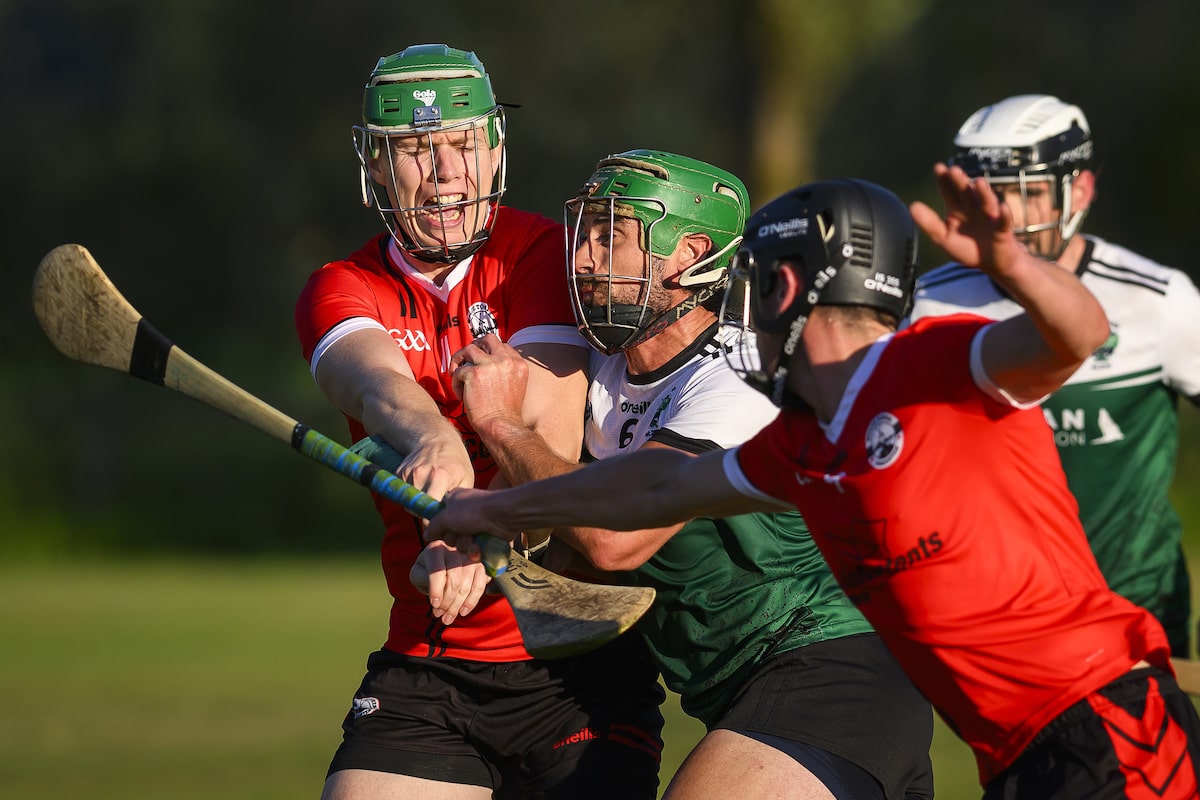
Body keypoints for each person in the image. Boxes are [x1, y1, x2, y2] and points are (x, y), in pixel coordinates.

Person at [424, 168, 1200, 798]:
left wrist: (1018, 269)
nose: (740, 310)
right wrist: (486, 506)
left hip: (1107, 722)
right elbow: (651, 492)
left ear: (789, 289)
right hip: (1014, 757)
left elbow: (1081, 334)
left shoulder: (938, 360)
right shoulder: (800, 444)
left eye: (753, 285)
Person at [391, 149, 933, 799]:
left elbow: (616, 539)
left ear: (689, 252)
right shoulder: (603, 375)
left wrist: (504, 430)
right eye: (584, 232)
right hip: (746, 700)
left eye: (610, 235)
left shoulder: (738, 369)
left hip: (836, 674)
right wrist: (483, 549)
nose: (584, 257)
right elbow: (585, 558)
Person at [293, 44, 664, 800]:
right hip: (429, 657)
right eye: (415, 150)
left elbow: (549, 439)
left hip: (574, 665)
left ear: (494, 149)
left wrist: (472, 522)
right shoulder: (340, 286)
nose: (446, 171)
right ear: (376, 167)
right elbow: (372, 383)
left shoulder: (545, 256)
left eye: (462, 144)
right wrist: (432, 439)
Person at [908, 94, 1200, 658]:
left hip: (1135, 608)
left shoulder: (1159, 300)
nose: (1007, 215)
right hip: (996, 616)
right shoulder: (925, 306)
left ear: (1081, 192)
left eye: (1029, 190)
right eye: (990, 192)